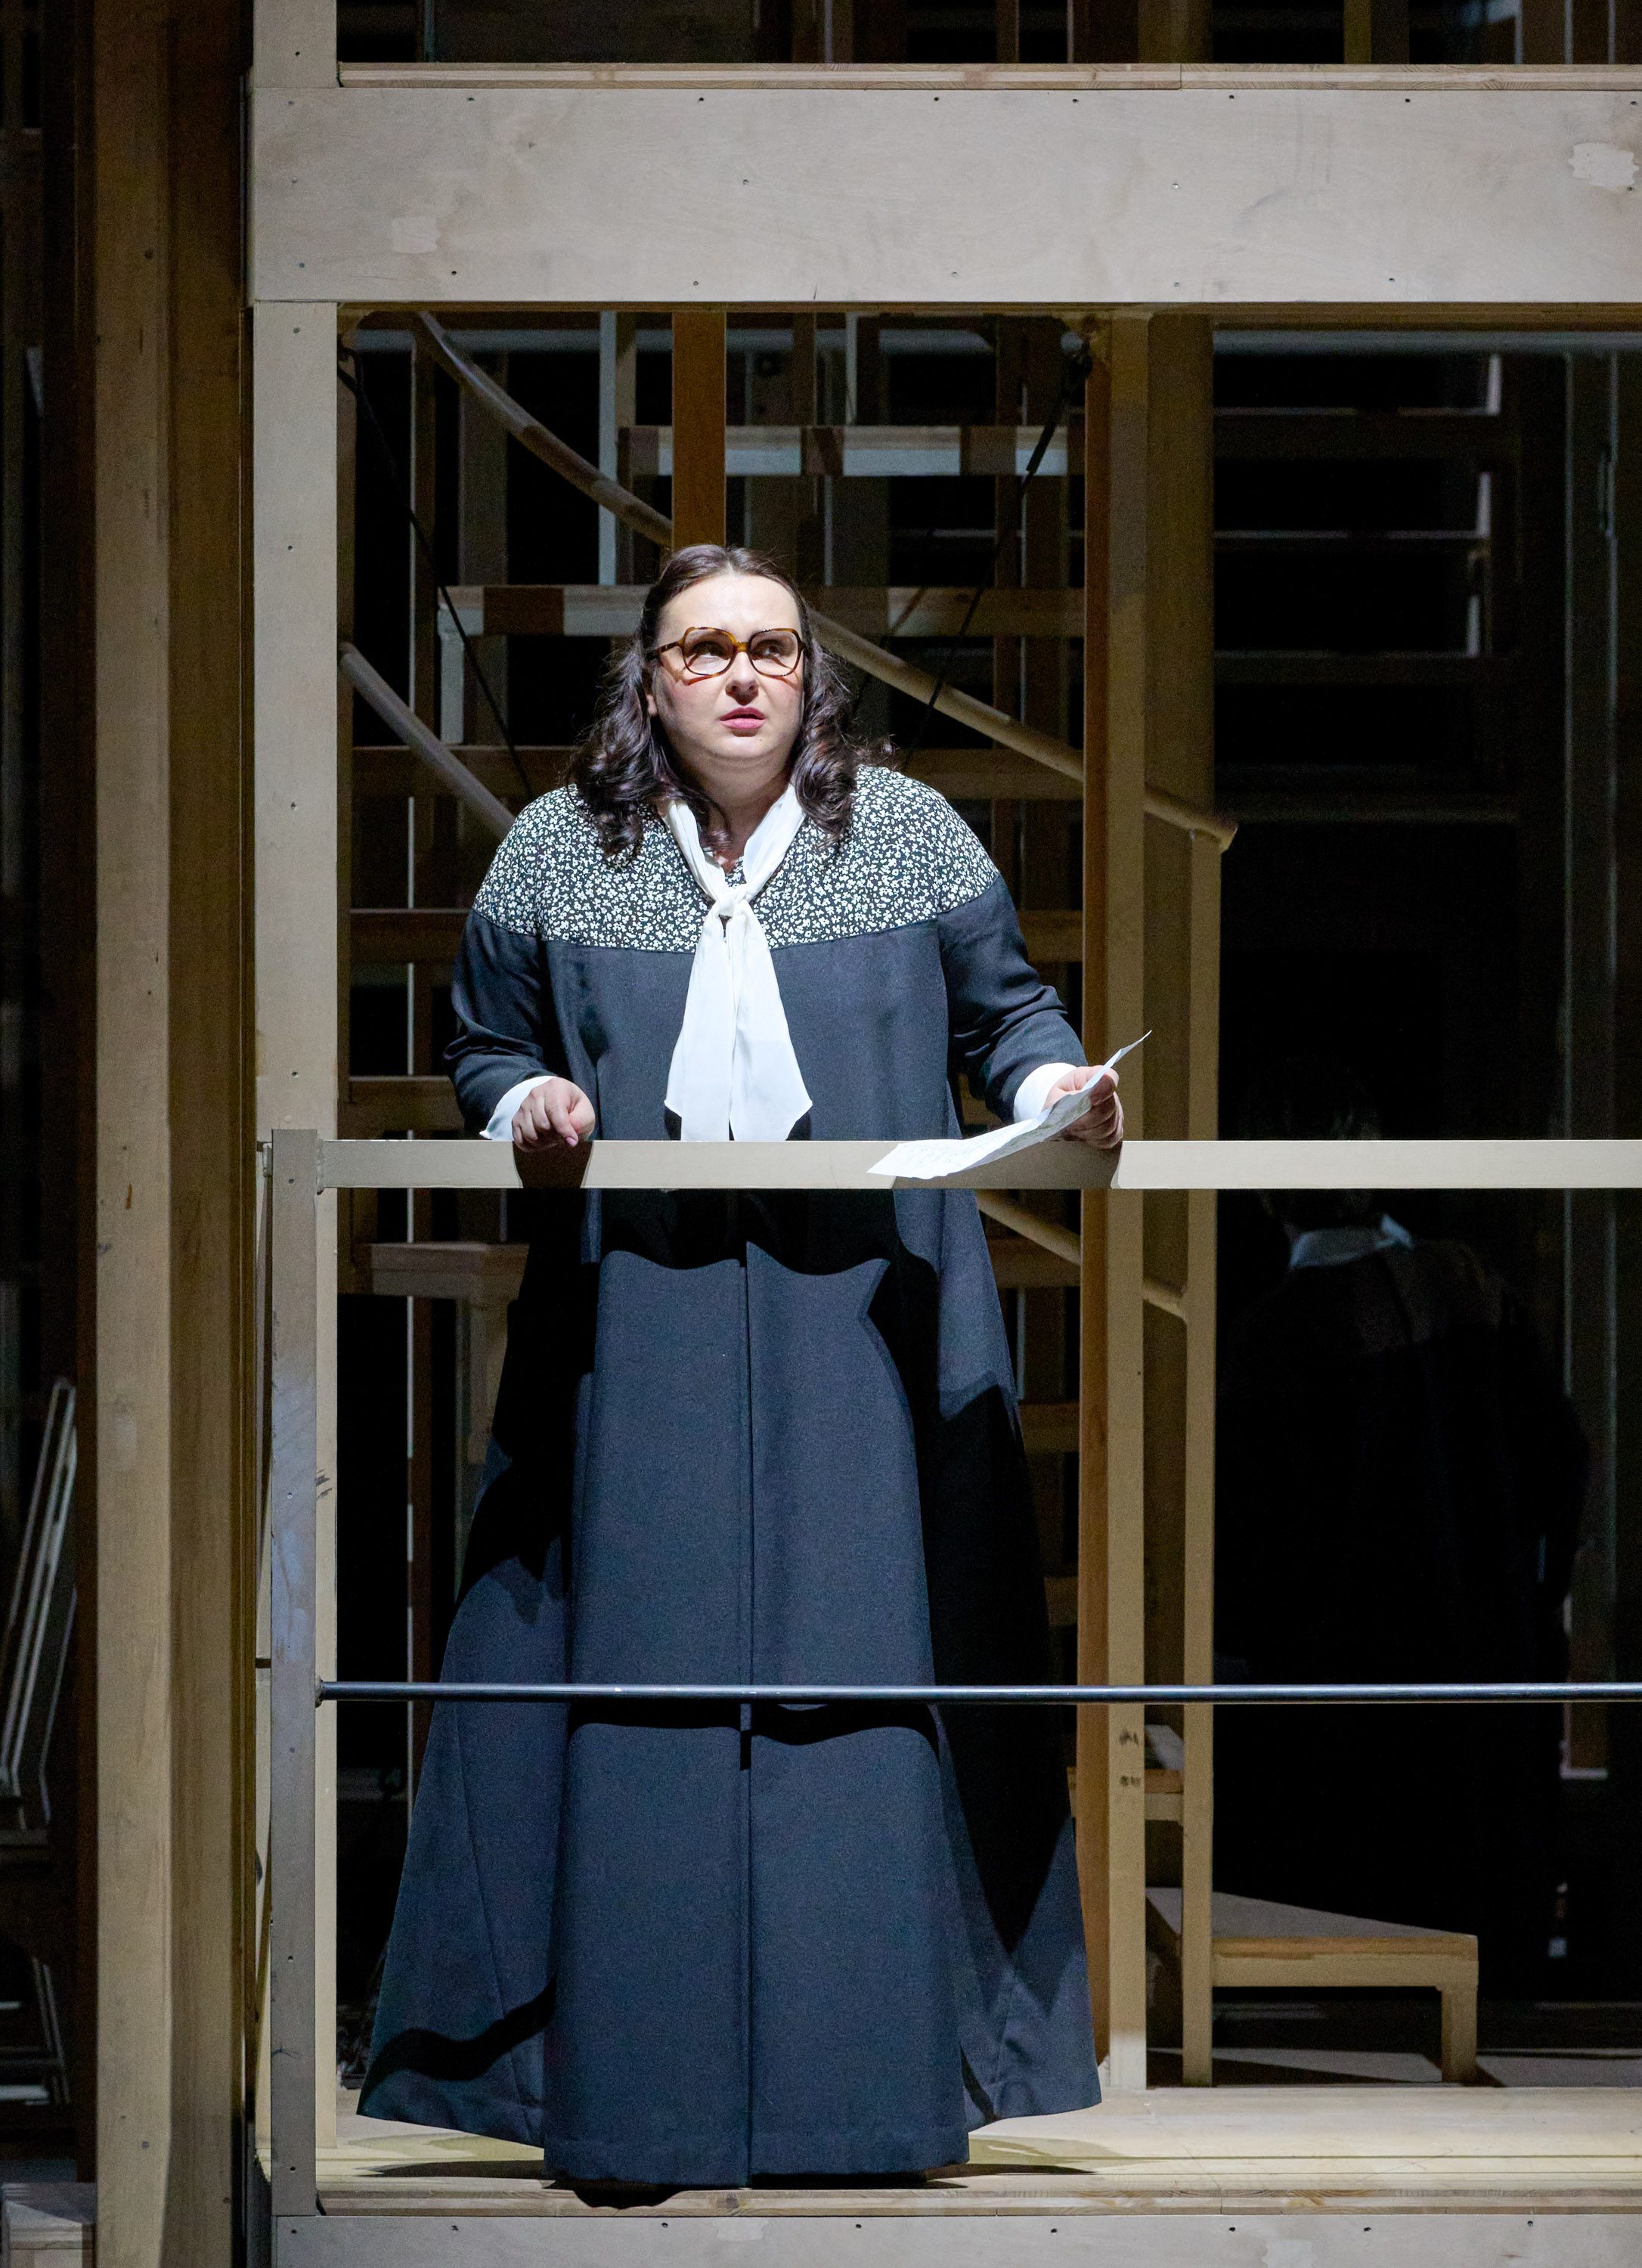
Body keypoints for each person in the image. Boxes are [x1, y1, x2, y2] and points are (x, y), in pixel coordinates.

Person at [360, 544, 1121, 2186]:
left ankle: (870, 2099)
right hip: (641, 1322)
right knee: (636, 1675)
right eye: (704, 648)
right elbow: (485, 1043)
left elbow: (1012, 1016)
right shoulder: (564, 850)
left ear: (810, 676)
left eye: (771, 647)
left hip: (862, 1319)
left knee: (869, 1676)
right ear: (651, 681)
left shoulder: (907, 833)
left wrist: (1061, 1087)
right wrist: (524, 1107)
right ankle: (638, 2103)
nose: (741, 675)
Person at [1214, 1058, 1585, 1986]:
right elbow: (1563, 1459)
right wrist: (1536, 1600)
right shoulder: (1469, 1286)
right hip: (1482, 1657)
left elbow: (1248, 1555)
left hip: (1341, 1694)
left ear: (1264, 1193)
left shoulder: (1266, 1342)